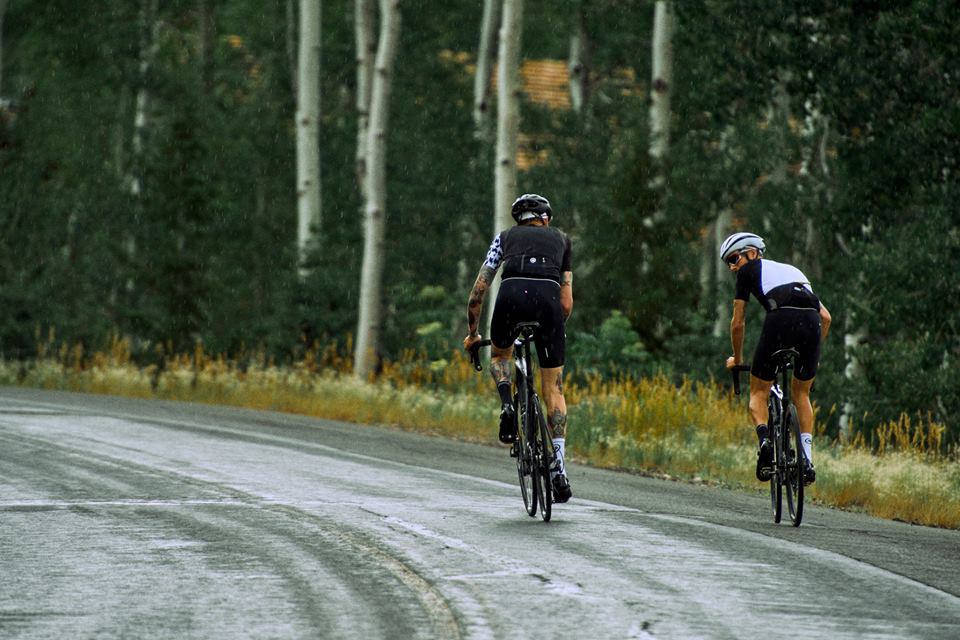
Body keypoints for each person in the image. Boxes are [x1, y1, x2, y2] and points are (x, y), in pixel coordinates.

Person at [463, 193, 574, 503]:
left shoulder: (505, 238)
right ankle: (559, 470)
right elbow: (566, 302)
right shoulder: (562, 241)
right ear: (546, 218)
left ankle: (507, 404)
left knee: (500, 354)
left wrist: (473, 334)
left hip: (511, 298)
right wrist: (552, 327)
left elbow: (477, 293)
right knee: (554, 389)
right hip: (549, 303)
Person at [720, 232, 831, 485]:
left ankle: (765, 441)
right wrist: (813, 356)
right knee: (801, 394)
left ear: (752, 253)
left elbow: (738, 323)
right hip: (812, 323)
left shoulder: (748, 272)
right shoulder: (795, 271)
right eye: (729, 262)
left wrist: (737, 359)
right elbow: (826, 318)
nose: (733, 266)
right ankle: (807, 462)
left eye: (735, 258)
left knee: (758, 393)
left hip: (780, 320)